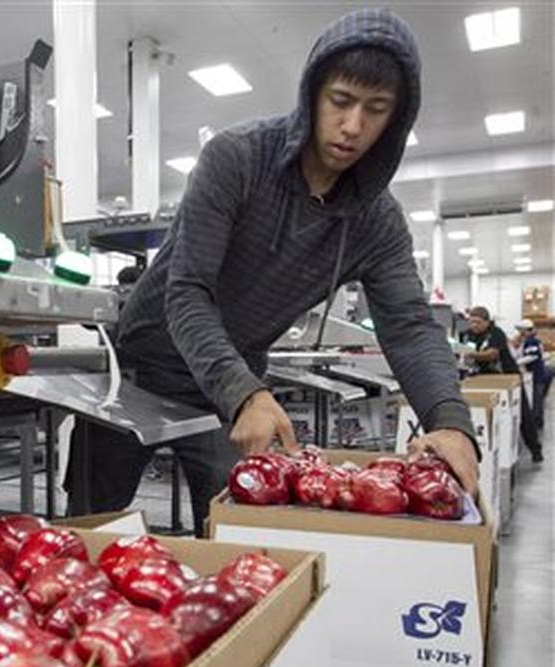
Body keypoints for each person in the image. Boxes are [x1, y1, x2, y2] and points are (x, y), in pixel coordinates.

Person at [65, 9, 479, 535]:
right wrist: (246, 392)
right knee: (90, 532)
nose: (353, 126)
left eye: (376, 110)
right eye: (341, 101)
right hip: (139, 374)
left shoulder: (375, 220)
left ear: (395, 120)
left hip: (224, 392)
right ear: (312, 94)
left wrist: (450, 420)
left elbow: (410, 326)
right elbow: (188, 292)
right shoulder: (237, 159)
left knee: (237, 536)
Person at [467, 307, 542, 462]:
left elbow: (492, 354)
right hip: (485, 380)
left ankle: (535, 450)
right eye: (471, 321)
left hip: (508, 378)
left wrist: (469, 354)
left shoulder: (496, 333)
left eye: (478, 322)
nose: (474, 325)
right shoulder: (470, 335)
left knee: (523, 415)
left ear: (487, 322)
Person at [515, 318, 549, 429]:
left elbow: (532, 356)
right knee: (536, 399)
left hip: (536, 374)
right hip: (536, 373)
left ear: (525, 330)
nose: (519, 333)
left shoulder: (532, 341)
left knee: (536, 399)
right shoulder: (530, 340)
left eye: (521, 330)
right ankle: (537, 421)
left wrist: (516, 362)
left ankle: (536, 422)